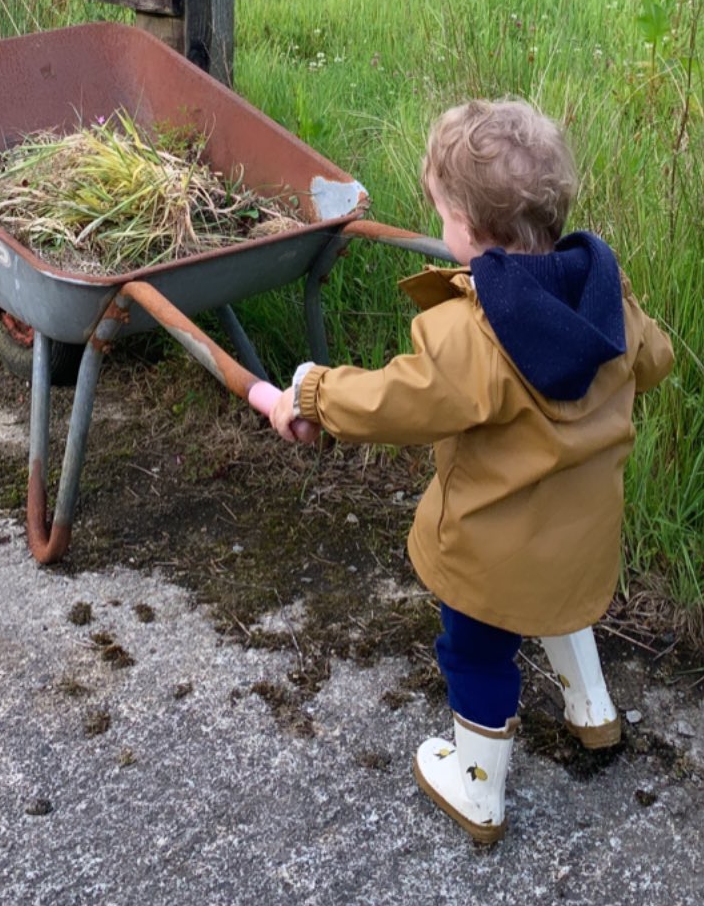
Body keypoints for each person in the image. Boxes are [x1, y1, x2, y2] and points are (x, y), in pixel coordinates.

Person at [270, 97, 673, 845]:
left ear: (469, 229)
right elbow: (656, 360)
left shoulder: (471, 335)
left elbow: (398, 401)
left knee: (475, 650)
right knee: (557, 602)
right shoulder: (605, 297)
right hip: (580, 542)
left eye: (442, 213)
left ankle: (478, 788)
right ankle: (593, 712)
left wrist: (315, 393)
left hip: (494, 552)